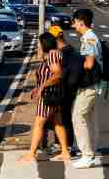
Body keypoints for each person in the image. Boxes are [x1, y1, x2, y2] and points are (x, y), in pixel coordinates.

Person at [20, 32, 72, 163]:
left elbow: (57, 74)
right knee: (58, 123)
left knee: (39, 124)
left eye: (40, 43)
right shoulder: (55, 54)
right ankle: (65, 151)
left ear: (44, 43)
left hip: (49, 95)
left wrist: (42, 87)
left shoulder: (53, 55)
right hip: (55, 94)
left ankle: (32, 153)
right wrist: (38, 87)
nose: (39, 45)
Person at [71, 8, 104, 169]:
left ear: (81, 22)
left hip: (90, 85)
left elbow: (89, 63)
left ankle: (87, 154)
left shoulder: (89, 39)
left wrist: (75, 67)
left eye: (75, 21)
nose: (73, 24)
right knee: (90, 119)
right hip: (95, 85)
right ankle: (91, 150)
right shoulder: (90, 37)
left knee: (78, 117)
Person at [52, 25, 83, 155]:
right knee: (65, 117)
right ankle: (65, 144)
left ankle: (65, 145)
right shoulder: (72, 50)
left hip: (64, 89)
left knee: (63, 118)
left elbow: (60, 73)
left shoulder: (61, 53)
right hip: (72, 88)